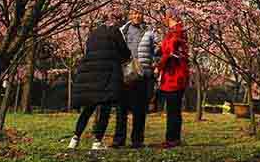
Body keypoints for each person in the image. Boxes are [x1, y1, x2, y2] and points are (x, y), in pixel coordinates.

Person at [68, 12, 131, 151]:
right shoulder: (115, 32)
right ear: (112, 21)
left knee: (88, 109)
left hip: (92, 75)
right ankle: (97, 141)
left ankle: (75, 138)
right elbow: (126, 53)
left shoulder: (93, 34)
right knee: (105, 109)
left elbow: (88, 51)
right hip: (108, 75)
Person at [112, 8, 159, 149]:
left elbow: (157, 51)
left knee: (140, 110)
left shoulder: (150, 31)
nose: (136, 16)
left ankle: (137, 140)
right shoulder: (122, 31)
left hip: (143, 74)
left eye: (139, 13)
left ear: (143, 15)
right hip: (125, 74)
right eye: (133, 13)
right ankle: (118, 140)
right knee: (121, 110)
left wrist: (155, 63)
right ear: (129, 15)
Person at [156, 8, 190, 148]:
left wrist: (159, 64)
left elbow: (170, 52)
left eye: (166, 17)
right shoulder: (175, 32)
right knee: (173, 109)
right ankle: (173, 138)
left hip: (174, 76)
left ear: (169, 17)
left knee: (173, 110)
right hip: (173, 75)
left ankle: (172, 139)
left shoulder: (176, 33)